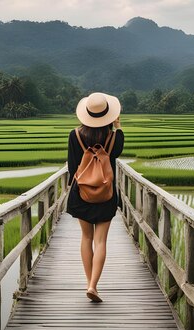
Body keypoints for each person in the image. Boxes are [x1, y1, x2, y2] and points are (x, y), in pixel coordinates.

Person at [66, 92, 124, 302]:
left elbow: (72, 167)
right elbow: (116, 153)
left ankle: (88, 282)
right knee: (100, 241)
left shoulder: (75, 135)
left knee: (86, 238)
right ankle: (93, 286)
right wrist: (118, 127)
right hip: (106, 194)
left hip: (82, 193)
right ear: (109, 115)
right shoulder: (113, 137)